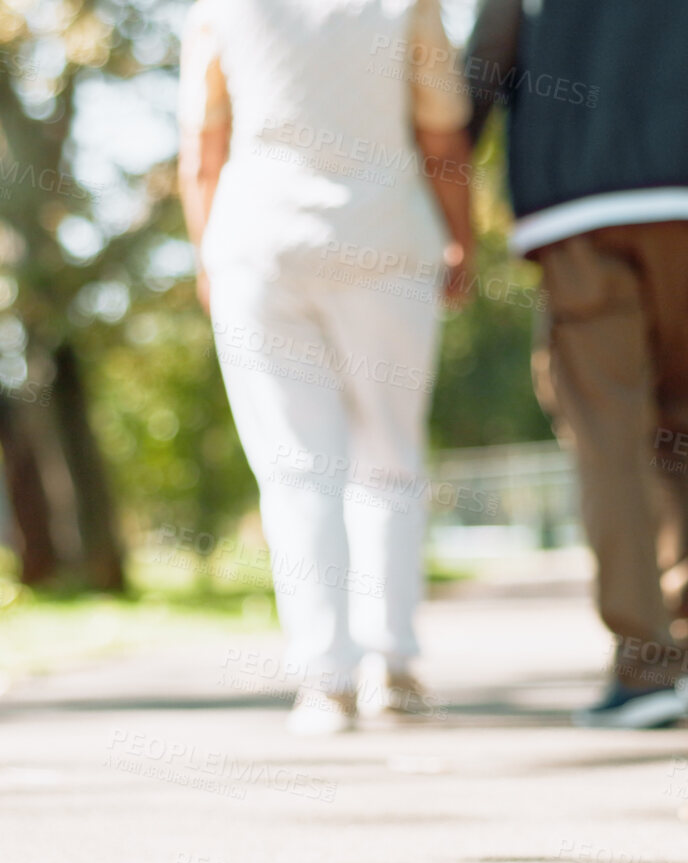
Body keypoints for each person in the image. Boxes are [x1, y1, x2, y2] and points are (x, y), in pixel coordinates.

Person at [467, 0, 688, 729]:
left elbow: (488, 57)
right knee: (678, 428)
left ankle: (645, 665)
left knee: (607, 434)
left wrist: (441, 179)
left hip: (581, 203)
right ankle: (681, 654)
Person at [178, 0, 476, 734]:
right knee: (389, 461)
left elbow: (200, 152)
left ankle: (324, 678)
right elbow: (441, 132)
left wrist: (206, 254)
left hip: (260, 246)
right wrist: (461, 236)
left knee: (294, 468)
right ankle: (393, 666)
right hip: (384, 239)